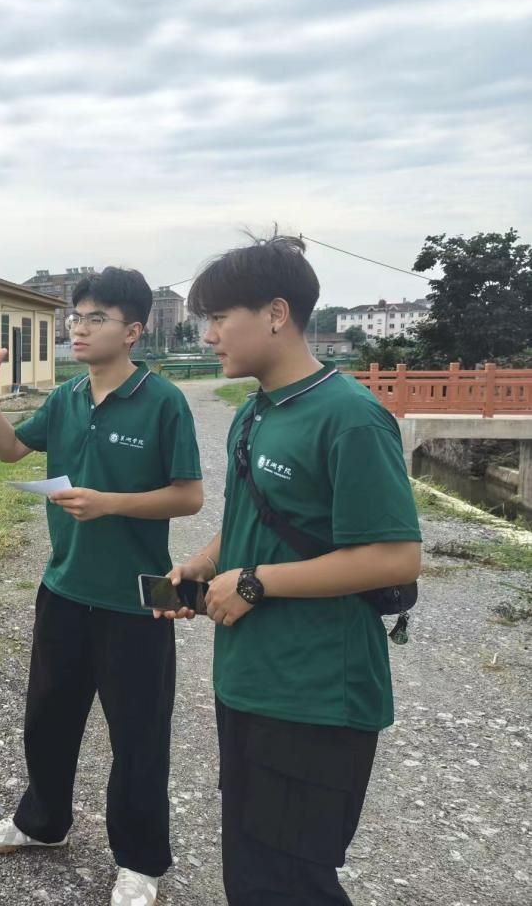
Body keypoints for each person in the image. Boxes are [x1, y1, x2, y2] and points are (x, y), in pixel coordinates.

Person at [162, 234, 422, 905]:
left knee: (290, 883)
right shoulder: (255, 411)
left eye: (220, 318)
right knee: (251, 873)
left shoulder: (350, 417)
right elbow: (251, 518)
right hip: (248, 681)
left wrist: (257, 583)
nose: (208, 336)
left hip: (316, 695)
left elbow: (395, 555)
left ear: (276, 314)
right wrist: (202, 566)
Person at [0, 267, 204, 906]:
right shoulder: (67, 397)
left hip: (139, 598)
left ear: (132, 331)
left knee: (139, 735)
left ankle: (141, 861)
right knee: (48, 717)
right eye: (75, 317)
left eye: (95, 318)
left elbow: (189, 496)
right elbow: (10, 452)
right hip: (64, 587)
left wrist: (110, 503)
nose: (78, 327)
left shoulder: (163, 401)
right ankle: (43, 823)